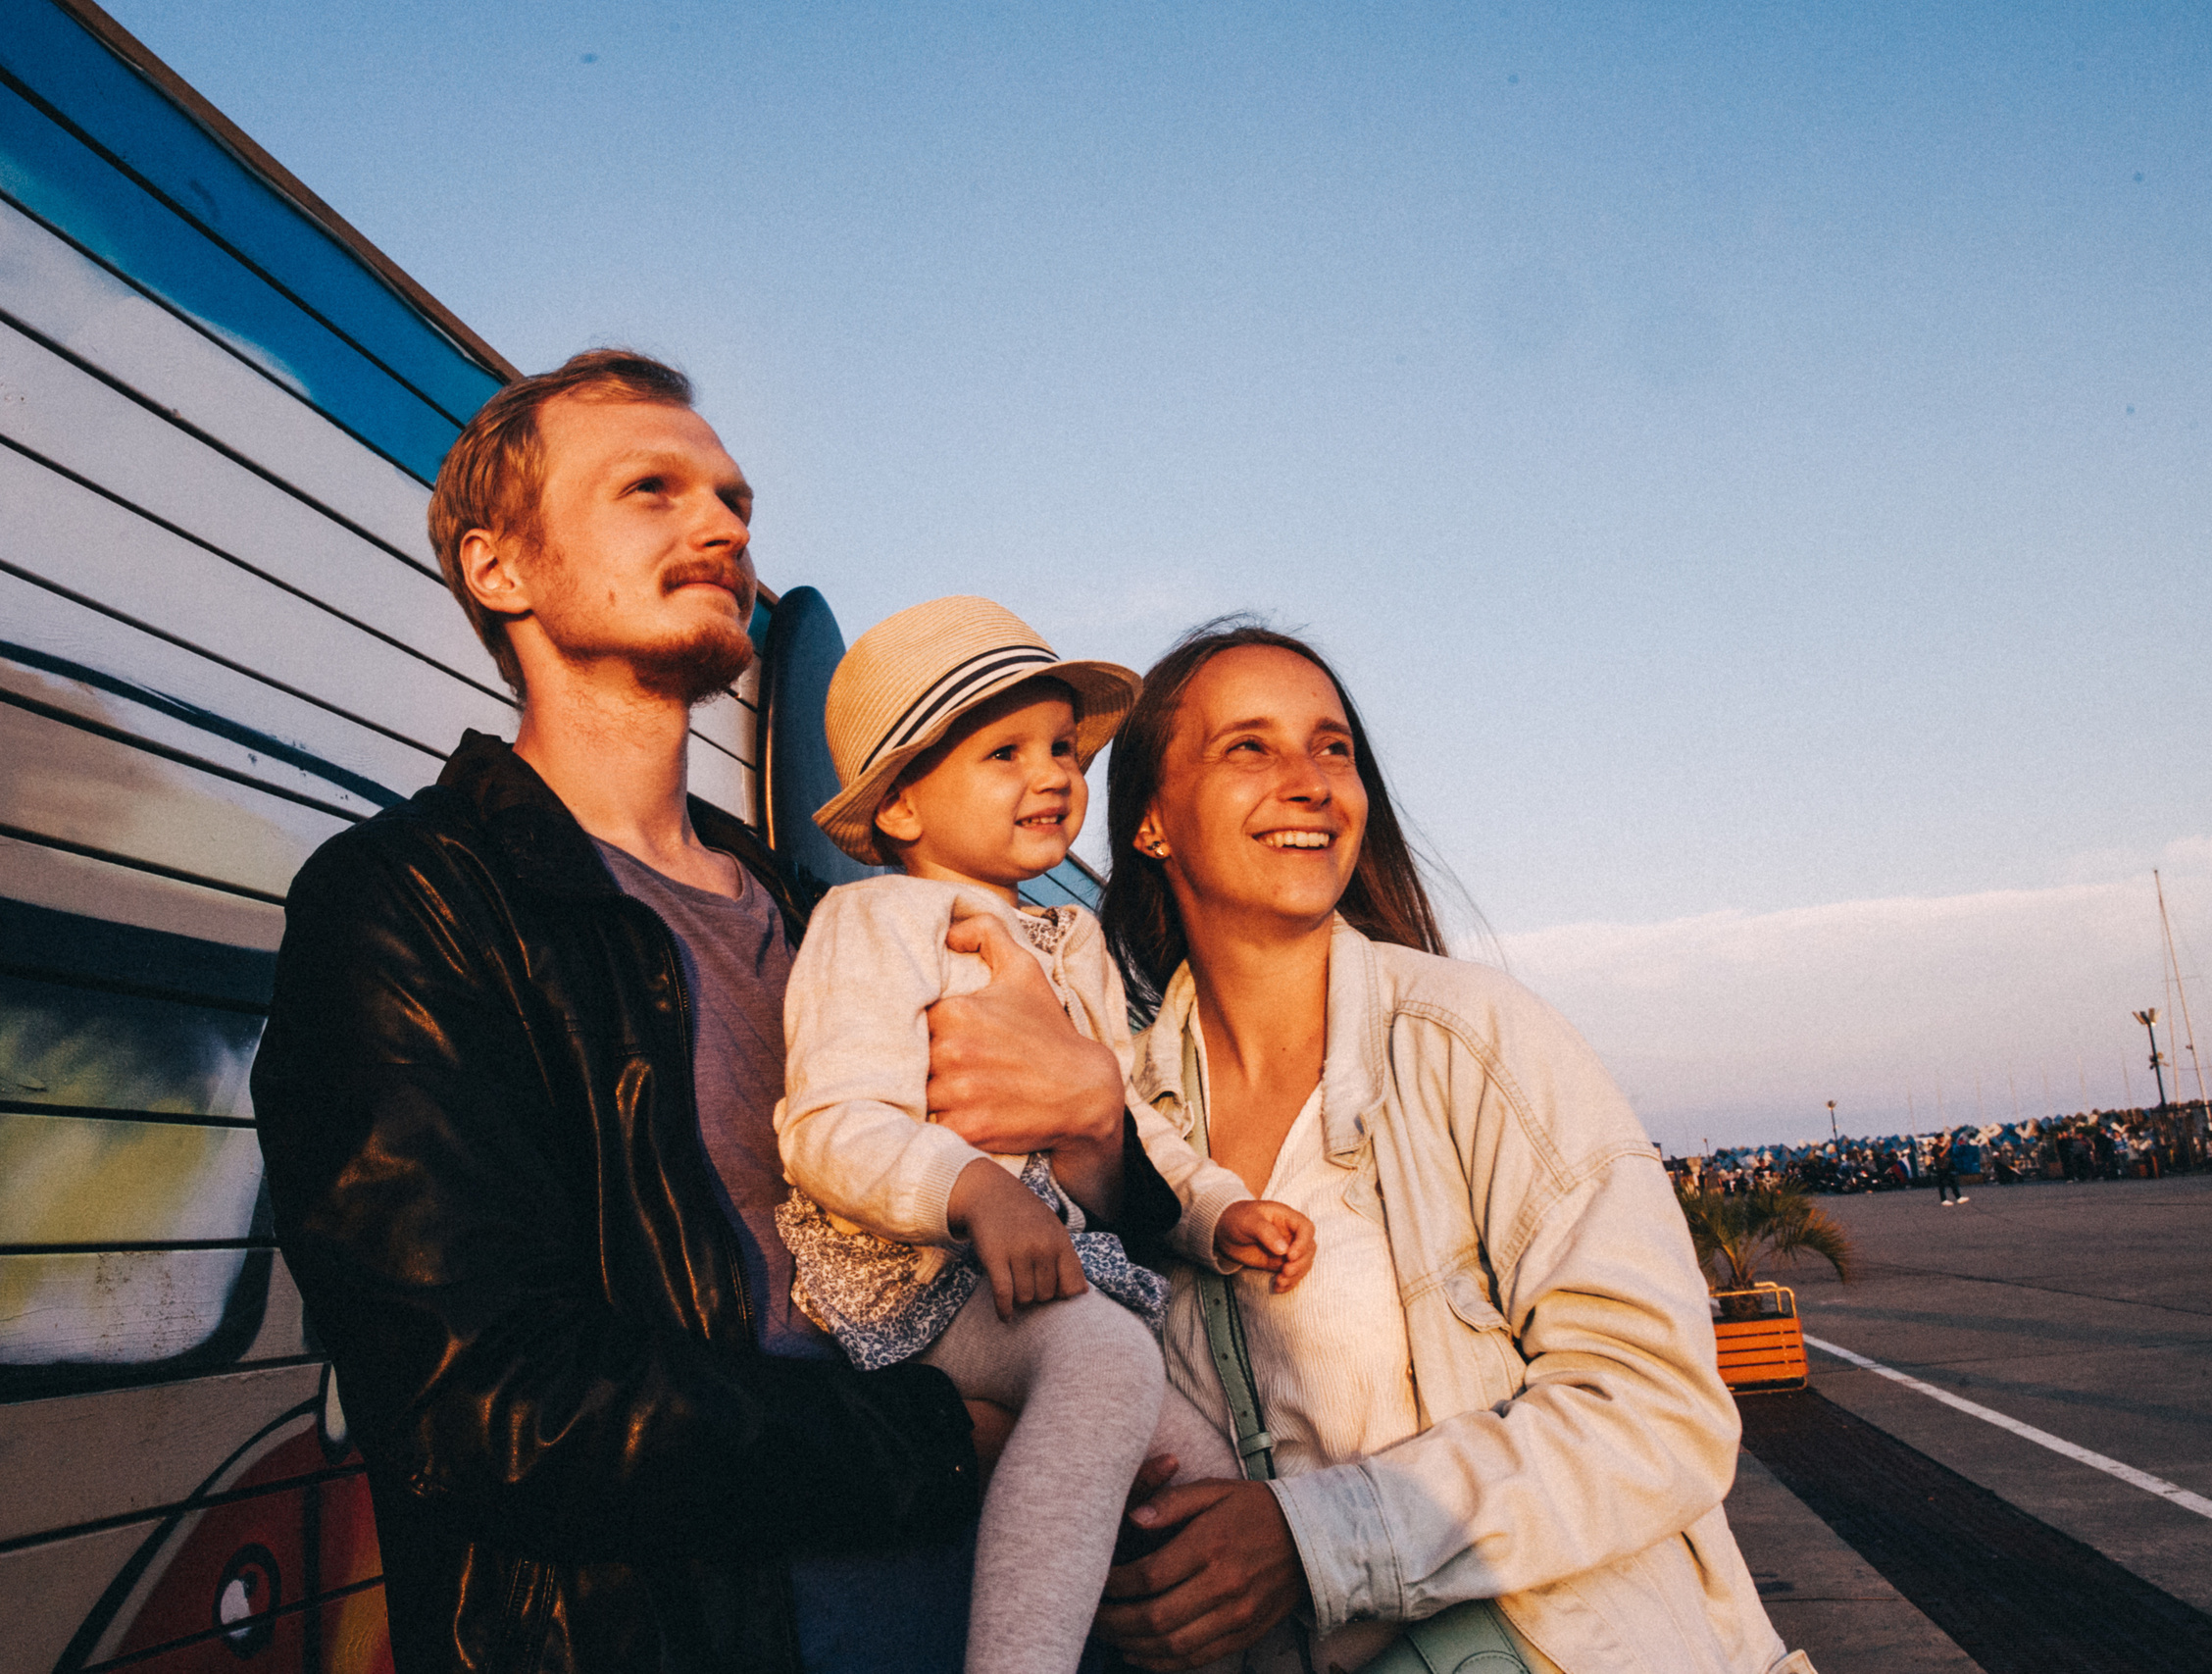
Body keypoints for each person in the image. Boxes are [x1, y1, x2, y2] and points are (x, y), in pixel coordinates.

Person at [250, 351, 1189, 1673]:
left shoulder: (821, 910)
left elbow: (1068, 1218)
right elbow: (486, 1401)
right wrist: (939, 1440)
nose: (724, 526)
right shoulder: (408, 902)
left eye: (735, 500)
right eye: (653, 489)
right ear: (497, 570)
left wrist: (1097, 1131)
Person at [1088, 622, 1808, 1674]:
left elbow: (1658, 1409)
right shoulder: (1120, 1122)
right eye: (1249, 746)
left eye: (1332, 747)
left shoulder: (1474, 1042)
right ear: (1151, 820)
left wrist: (1312, 1539)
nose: (1308, 782)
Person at [773, 596, 1320, 1674]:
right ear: (900, 810)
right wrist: (974, 1190)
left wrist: (1215, 1212)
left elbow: (1127, 1121)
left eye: (1063, 748)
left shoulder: (1071, 943)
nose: (1054, 775)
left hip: (1038, 1288)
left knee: (1208, 1486)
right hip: (916, 1269)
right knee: (1110, 1361)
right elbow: (828, 1123)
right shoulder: (873, 923)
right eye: (1003, 751)